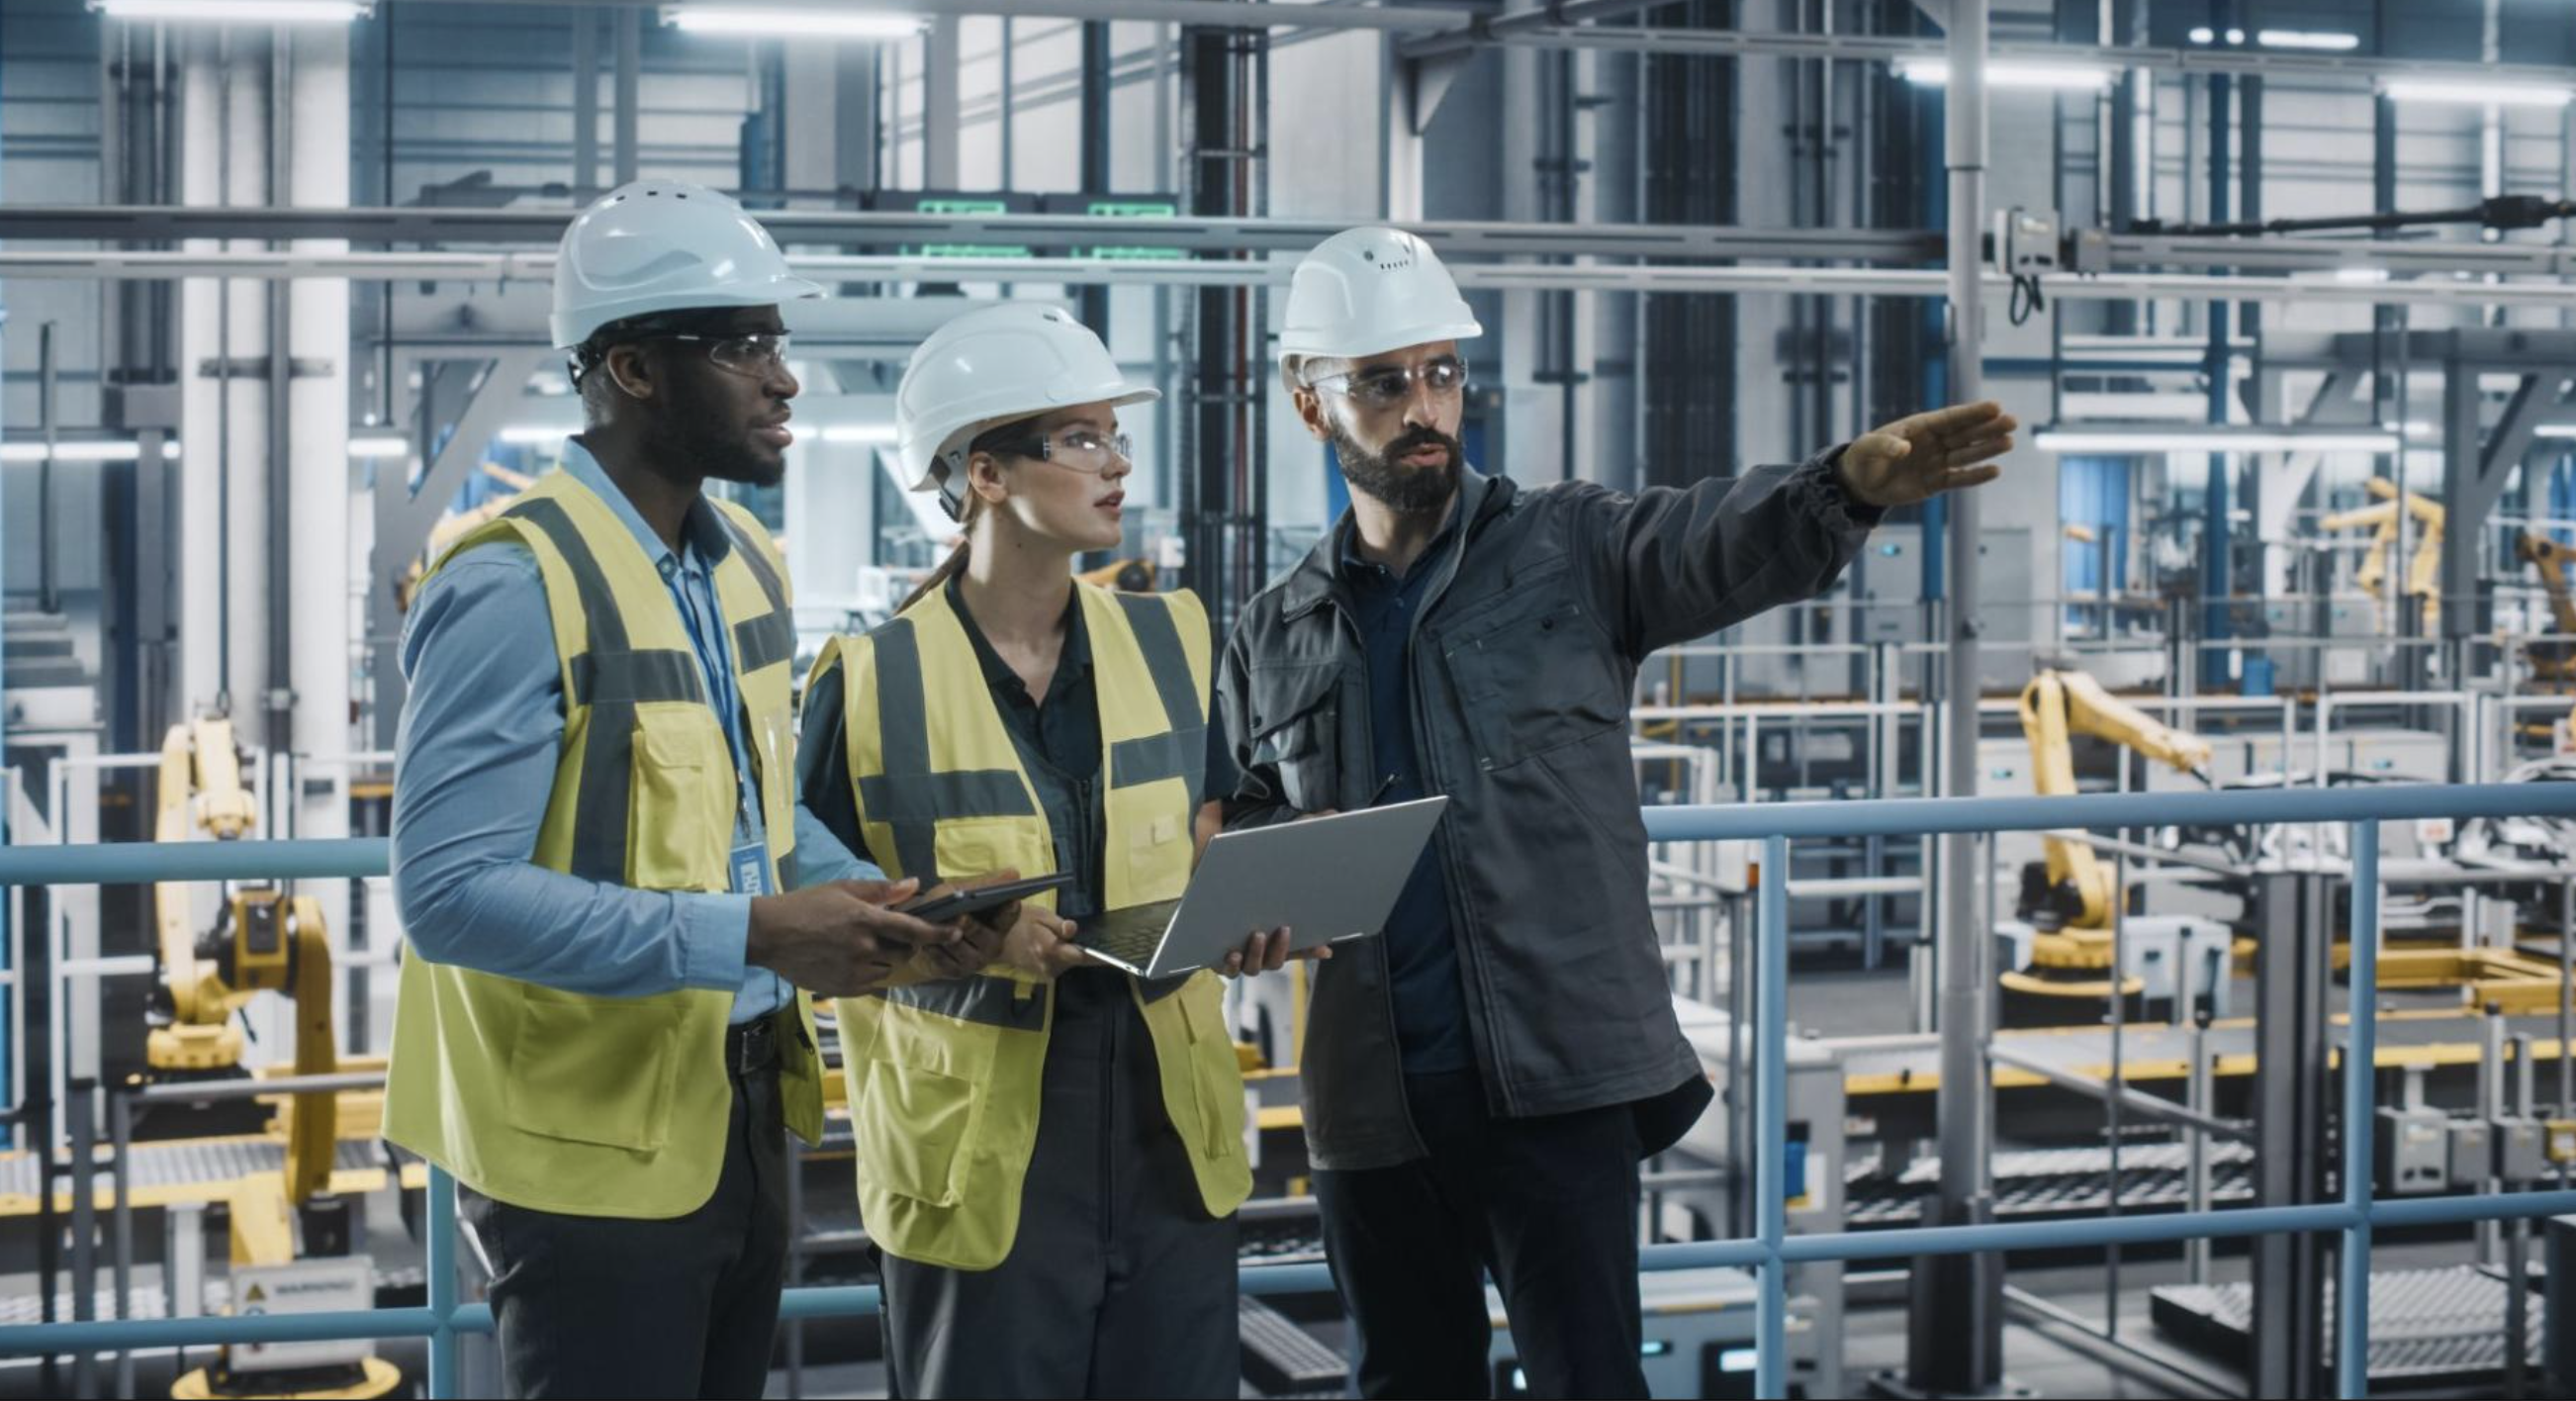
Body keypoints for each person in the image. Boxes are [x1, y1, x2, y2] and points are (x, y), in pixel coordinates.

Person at [1219, 227, 2014, 1399]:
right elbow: (1240, 810)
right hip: (1372, 1102)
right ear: (1311, 404)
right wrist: (1249, 885)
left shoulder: (1570, 549)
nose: (1424, 407)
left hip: (1553, 1085)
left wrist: (1841, 489)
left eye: (1441, 373)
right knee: (1402, 1385)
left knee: (1591, 1380)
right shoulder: (1273, 629)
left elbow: (1711, 540)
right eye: (1384, 383)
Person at [383, 179, 998, 1400]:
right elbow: (448, 896)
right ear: (632, 370)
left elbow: (752, 818)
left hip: (742, 1117)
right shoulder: (512, 582)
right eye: (743, 347)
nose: (785, 379)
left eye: (778, 342)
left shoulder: (745, 566)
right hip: (583, 1158)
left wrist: (879, 902)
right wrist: (755, 935)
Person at [800, 303, 1302, 1398]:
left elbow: (1212, 828)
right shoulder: (868, 682)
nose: (1117, 463)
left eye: (1114, 436)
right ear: (985, 474)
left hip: (1169, 1146)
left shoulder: (1170, 637)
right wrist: (970, 939)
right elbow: (812, 921)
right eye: (1080, 439)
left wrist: (1250, 910)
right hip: (979, 1161)